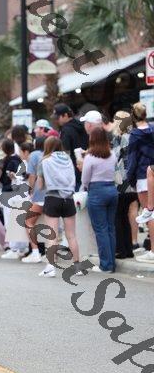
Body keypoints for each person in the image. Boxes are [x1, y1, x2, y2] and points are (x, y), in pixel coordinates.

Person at [36, 137, 81, 278]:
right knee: (71, 235)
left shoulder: (44, 161)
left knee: (52, 235)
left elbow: (40, 186)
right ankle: (77, 267)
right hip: (69, 198)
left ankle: (50, 267)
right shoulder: (68, 160)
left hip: (52, 198)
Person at [82, 127, 118, 272]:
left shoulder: (90, 157)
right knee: (110, 228)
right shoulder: (112, 154)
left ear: (92, 139)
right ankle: (111, 263)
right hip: (112, 189)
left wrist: (86, 187)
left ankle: (106, 265)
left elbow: (85, 179)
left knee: (100, 229)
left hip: (97, 191)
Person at [127, 102, 154, 263]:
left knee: (149, 213)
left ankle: (153, 250)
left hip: (142, 176)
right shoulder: (153, 129)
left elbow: (132, 159)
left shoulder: (135, 135)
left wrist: (130, 178)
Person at [111, 111, 137, 259]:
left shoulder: (119, 137)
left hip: (122, 181)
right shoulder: (134, 136)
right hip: (133, 181)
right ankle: (129, 249)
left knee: (118, 216)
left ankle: (121, 249)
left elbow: (114, 158)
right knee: (125, 215)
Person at [0, 138, 24, 259]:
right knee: (16, 220)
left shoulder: (10, 161)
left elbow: (5, 177)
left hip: (9, 193)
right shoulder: (17, 159)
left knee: (10, 220)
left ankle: (14, 248)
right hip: (17, 192)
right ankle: (20, 247)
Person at [51, 103, 89, 190]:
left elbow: (65, 153)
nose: (57, 120)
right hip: (85, 166)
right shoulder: (82, 125)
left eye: (58, 117)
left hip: (73, 170)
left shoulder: (66, 130)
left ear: (65, 115)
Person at [22, 137, 46, 263]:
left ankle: (35, 252)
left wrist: (30, 190)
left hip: (40, 193)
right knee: (50, 224)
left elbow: (32, 175)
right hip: (55, 193)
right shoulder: (53, 154)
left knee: (28, 221)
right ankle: (49, 253)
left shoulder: (34, 155)